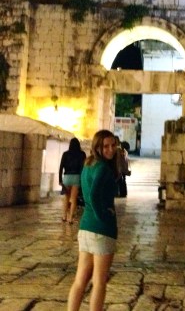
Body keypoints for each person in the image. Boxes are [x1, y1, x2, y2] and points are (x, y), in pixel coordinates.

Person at [67, 130, 118, 311]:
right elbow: (94, 195)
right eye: (106, 146)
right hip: (101, 231)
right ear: (97, 147)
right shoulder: (103, 168)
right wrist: (104, 216)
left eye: (113, 145)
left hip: (85, 228)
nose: (111, 149)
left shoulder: (88, 165)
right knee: (99, 282)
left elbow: (86, 192)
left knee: (80, 280)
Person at [59, 137, 86, 224]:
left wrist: (60, 180)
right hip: (77, 177)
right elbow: (84, 168)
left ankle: (64, 216)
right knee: (74, 199)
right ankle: (70, 218)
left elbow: (61, 167)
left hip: (67, 177)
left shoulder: (65, 154)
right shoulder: (82, 154)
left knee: (66, 198)